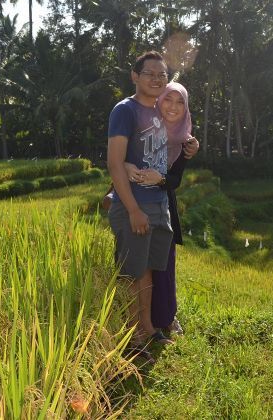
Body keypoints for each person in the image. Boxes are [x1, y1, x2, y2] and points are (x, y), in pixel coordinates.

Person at [107, 51, 174, 354]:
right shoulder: (125, 110)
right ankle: (130, 338)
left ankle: (146, 328)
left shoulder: (163, 110)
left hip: (159, 204)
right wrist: (133, 209)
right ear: (135, 76)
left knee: (147, 270)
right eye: (150, 73)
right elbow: (115, 162)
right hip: (135, 205)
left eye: (163, 74)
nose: (158, 79)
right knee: (131, 272)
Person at [126, 83, 198, 336]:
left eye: (180, 102)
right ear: (159, 101)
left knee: (164, 266)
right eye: (169, 100)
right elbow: (121, 159)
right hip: (135, 202)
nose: (173, 107)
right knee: (139, 265)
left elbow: (176, 179)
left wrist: (161, 179)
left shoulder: (185, 140)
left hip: (164, 204)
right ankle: (140, 325)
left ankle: (165, 318)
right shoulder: (143, 127)